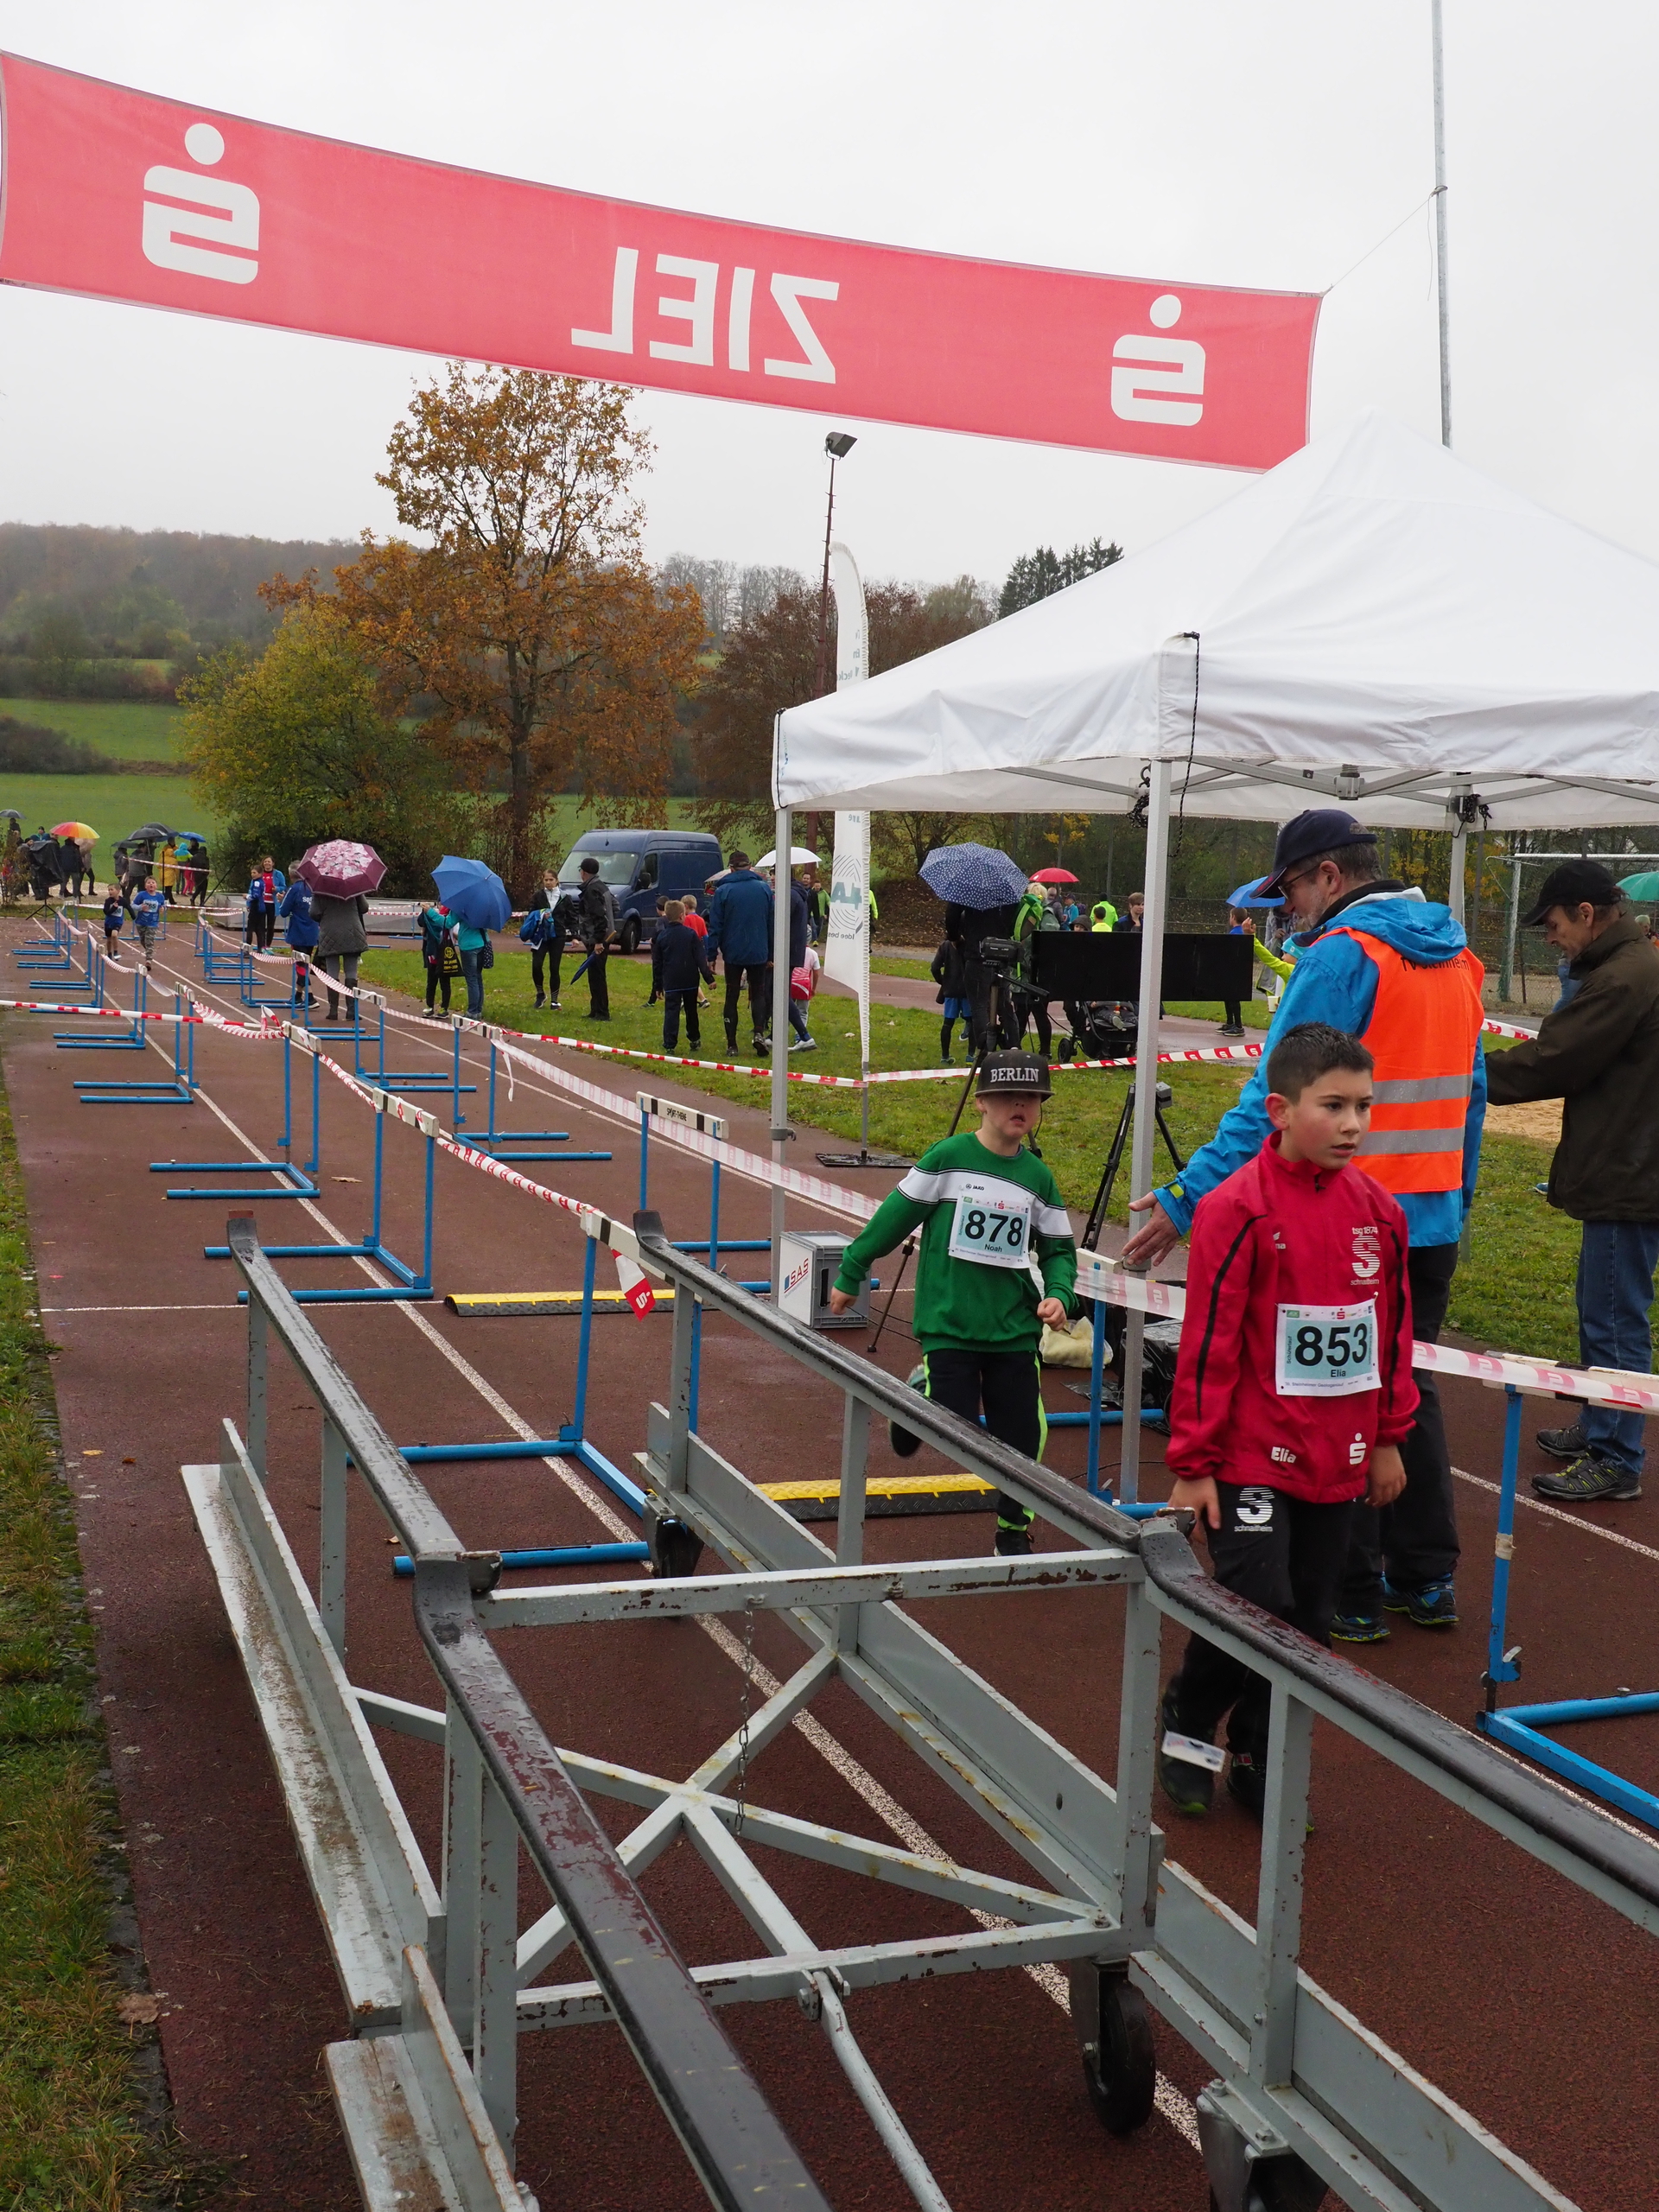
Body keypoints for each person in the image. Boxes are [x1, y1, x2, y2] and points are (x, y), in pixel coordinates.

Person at [1123, 808, 1486, 1643]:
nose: (1285, 909)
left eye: (1287, 889)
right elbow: (1473, 1096)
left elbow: (1274, 1098)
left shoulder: (1342, 955)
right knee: (1405, 1387)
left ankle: (1352, 1590)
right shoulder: (1461, 958)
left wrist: (1186, 1198)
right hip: (1426, 1218)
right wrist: (1456, 1196)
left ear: (1328, 875)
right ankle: (1426, 1577)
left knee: (1331, 1392)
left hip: (1341, 1216)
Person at [1154, 1022, 1416, 1820]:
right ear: (1280, 1110)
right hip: (1249, 1454)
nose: (1353, 1124)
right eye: (1333, 1106)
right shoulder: (1236, 1209)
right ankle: (1190, 1717)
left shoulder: (1380, 1212)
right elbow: (1208, 1342)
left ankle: (1259, 1748)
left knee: (1310, 1619)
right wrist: (1194, 1462)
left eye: (1363, 1106)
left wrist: (1389, 1438)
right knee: (1255, 1600)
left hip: (1337, 1457)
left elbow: (1392, 1336)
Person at [828, 1052, 1079, 1557]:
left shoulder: (1039, 1178)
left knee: (1023, 1436)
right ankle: (921, 1393)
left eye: (1031, 1099)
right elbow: (894, 1217)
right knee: (955, 1428)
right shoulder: (948, 1159)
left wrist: (1059, 1294)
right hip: (949, 1322)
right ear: (981, 1103)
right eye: (1008, 1097)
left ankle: (1012, 1529)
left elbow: (1059, 1252)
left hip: (1013, 1330)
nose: (1020, 1106)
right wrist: (854, 1267)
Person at [1484, 861, 1659, 1502]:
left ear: (1587, 913)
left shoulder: (1624, 977)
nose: (1551, 938)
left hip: (1629, 1172)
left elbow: (1556, 1058)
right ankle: (1600, 1421)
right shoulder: (1625, 967)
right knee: (1600, 1309)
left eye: (1554, 925)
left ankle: (1617, 1456)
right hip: (1623, 1163)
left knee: (1614, 1317)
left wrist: (1466, 1076)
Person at [704, 849, 773, 1054]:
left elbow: (715, 926)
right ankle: (759, 1033)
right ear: (750, 867)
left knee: (732, 995)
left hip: (733, 951)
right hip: (759, 950)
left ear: (731, 869)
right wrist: (771, 954)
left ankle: (732, 1044)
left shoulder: (722, 891)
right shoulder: (764, 889)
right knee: (758, 993)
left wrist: (711, 955)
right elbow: (771, 923)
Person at [946, 895, 1020, 1053]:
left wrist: (955, 937)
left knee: (979, 1005)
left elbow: (952, 914)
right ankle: (1014, 1045)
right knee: (1005, 1005)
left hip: (977, 951)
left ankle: (985, 1050)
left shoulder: (969, 888)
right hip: (1003, 950)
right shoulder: (1007, 889)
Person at [652, 897, 714, 1050]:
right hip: (690, 980)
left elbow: (657, 964)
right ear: (681, 916)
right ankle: (694, 1038)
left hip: (671, 980)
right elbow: (700, 959)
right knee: (691, 1011)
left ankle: (669, 1043)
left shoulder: (662, 937)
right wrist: (709, 978)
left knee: (671, 1012)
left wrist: (658, 986)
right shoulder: (691, 935)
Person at [1014, 878, 1062, 1057]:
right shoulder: (1022, 915)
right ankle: (1015, 1048)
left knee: (1040, 1013)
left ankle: (1045, 1051)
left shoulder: (1047, 915)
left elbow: (1050, 940)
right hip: (1020, 971)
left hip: (1039, 974)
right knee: (1020, 1014)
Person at [313, 887, 369, 1023]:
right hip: (352, 931)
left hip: (330, 932)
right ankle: (352, 1010)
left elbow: (314, 913)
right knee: (351, 972)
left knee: (332, 972)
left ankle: (333, 1010)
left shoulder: (320, 889)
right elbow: (364, 908)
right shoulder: (354, 887)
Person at [575, 855, 618, 1020]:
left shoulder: (591, 890)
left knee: (597, 976)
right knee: (594, 975)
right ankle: (595, 1009)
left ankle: (602, 1012)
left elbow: (599, 917)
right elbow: (616, 906)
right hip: (605, 936)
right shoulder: (602, 886)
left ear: (584, 873)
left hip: (598, 940)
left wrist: (598, 941)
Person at [522, 868, 568, 1010]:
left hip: (558, 936)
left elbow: (571, 917)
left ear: (557, 881)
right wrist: (541, 914)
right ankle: (540, 993)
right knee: (536, 965)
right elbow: (531, 913)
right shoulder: (538, 896)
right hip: (541, 935)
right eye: (546, 880)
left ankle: (554, 1000)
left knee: (554, 968)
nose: (548, 882)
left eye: (551, 880)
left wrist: (576, 937)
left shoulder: (564, 897)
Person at [278, 869, 321, 1005]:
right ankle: (298, 995)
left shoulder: (294, 889)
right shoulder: (314, 888)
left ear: (290, 875)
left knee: (300, 965)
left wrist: (282, 901)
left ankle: (310, 997)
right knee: (304, 964)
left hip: (298, 933)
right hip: (313, 932)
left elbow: (284, 912)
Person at [931, 934, 970, 1063]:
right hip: (967, 990)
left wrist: (943, 981)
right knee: (972, 1022)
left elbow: (935, 967)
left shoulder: (945, 946)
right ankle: (971, 1055)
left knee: (948, 1023)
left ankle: (945, 1056)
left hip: (951, 990)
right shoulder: (970, 944)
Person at [246, 857, 284, 950]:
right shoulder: (258, 873)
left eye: (269, 862)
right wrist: (249, 903)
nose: (267, 863)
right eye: (265, 861)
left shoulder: (278, 874)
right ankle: (262, 946)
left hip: (272, 903)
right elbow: (251, 890)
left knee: (270, 926)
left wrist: (277, 889)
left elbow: (283, 887)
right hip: (261, 904)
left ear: (273, 863)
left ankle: (268, 945)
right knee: (261, 925)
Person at [130, 874, 165, 969]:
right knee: (143, 941)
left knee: (149, 941)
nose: (151, 884)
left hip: (153, 923)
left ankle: (148, 960)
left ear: (156, 886)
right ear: (145, 886)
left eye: (153, 883)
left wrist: (162, 909)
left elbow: (163, 906)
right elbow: (133, 905)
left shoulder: (160, 896)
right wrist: (140, 907)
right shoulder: (141, 895)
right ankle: (149, 950)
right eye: (149, 883)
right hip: (141, 922)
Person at [101, 887, 124, 961]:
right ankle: (109, 953)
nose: (110, 891)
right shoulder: (108, 901)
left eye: (112, 890)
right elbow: (106, 912)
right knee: (109, 939)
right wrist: (113, 908)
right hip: (108, 922)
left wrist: (133, 916)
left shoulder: (122, 900)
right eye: (109, 890)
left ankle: (116, 952)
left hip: (117, 921)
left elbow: (128, 907)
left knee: (114, 935)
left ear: (118, 891)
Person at [190, 841, 210, 907]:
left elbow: (191, 866)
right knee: (203, 889)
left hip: (196, 875)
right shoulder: (206, 858)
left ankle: (193, 898)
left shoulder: (194, 857)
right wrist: (207, 873)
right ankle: (201, 902)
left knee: (199, 888)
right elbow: (207, 867)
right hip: (203, 876)